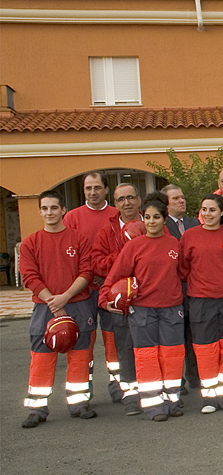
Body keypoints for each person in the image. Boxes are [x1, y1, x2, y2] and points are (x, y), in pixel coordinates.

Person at [99, 192, 186, 422]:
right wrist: (105, 299)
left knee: (172, 356)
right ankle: (153, 405)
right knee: (147, 358)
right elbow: (115, 276)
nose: (151, 222)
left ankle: (173, 400)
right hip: (143, 312)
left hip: (172, 310)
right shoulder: (134, 247)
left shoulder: (175, 245)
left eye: (156, 217)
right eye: (147, 217)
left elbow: (185, 273)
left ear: (164, 219)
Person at [18, 190, 97, 428]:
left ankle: (79, 404)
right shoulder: (31, 242)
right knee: (42, 355)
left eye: (54, 208)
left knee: (81, 354)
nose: (49, 212)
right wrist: (53, 301)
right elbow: (29, 276)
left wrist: (65, 297)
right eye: (44, 208)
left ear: (63, 210)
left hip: (78, 304)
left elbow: (86, 272)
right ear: (40, 211)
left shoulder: (79, 239)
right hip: (45, 307)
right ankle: (37, 408)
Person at [178, 194, 223, 413]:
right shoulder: (189, 236)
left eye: (212, 210)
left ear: (222, 212)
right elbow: (183, 268)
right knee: (205, 349)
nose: (207, 214)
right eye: (204, 210)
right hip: (201, 301)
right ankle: (209, 397)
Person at [63, 171, 119, 403]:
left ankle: (118, 386)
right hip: (83, 291)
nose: (93, 192)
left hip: (112, 288)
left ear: (106, 189)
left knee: (114, 340)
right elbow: (67, 255)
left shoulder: (117, 214)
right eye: (88, 188)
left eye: (97, 187)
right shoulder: (72, 218)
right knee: (83, 342)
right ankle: (82, 391)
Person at [92, 182, 143, 415]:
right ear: (115, 205)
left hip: (150, 296)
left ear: (139, 200)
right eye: (121, 199)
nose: (127, 203)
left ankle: (159, 390)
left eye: (131, 197)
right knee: (125, 347)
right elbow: (97, 264)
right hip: (121, 298)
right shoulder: (107, 231)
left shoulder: (152, 222)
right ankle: (131, 395)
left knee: (154, 346)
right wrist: (124, 255)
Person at [162, 184, 201, 395]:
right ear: (166, 205)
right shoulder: (162, 225)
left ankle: (196, 375)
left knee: (193, 333)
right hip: (173, 288)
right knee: (176, 336)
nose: (181, 201)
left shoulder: (194, 223)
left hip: (194, 287)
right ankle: (178, 380)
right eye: (176, 198)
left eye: (182, 197)